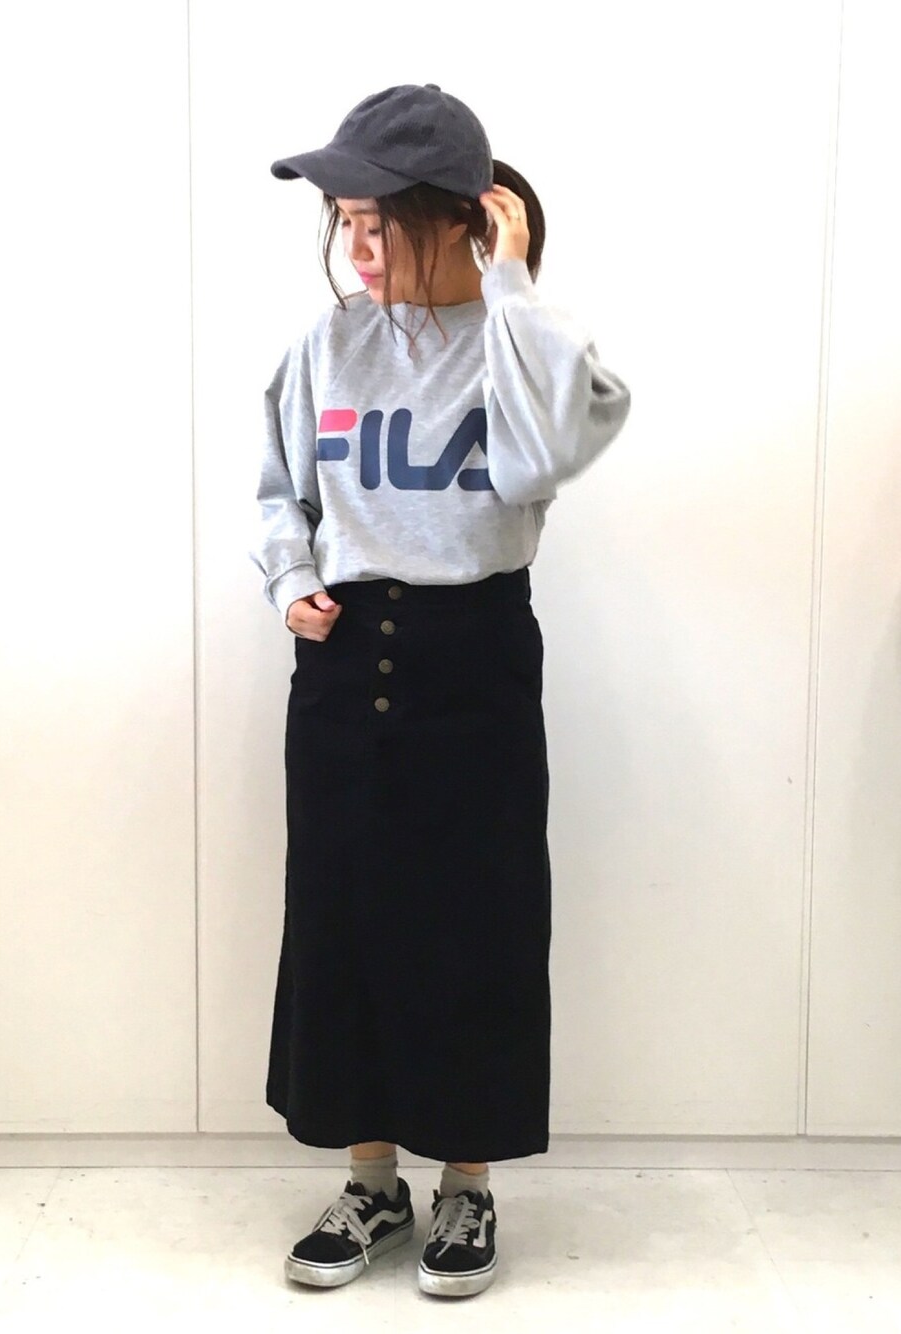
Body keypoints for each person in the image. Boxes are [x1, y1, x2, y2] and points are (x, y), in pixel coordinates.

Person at [249, 82, 632, 1299]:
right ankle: (372, 1180)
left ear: (464, 221)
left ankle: (467, 1181)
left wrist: (508, 283)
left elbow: (550, 451)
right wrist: (292, 580)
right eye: (346, 224)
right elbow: (279, 488)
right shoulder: (325, 344)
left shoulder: (521, 349)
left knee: (475, 924)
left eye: (381, 224)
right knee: (346, 919)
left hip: (473, 655)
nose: (357, 249)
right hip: (343, 659)